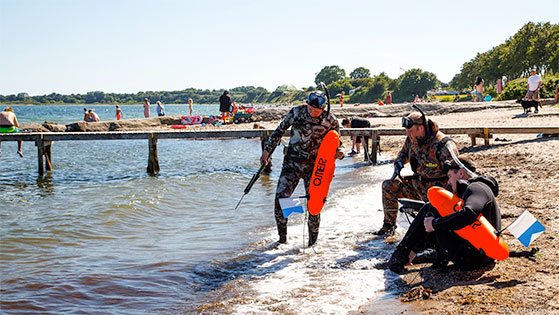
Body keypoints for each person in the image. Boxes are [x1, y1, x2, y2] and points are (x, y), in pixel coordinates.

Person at [387, 157, 500, 273]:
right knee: (439, 214)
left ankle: (399, 257)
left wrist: (434, 224)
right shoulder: (469, 190)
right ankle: (415, 254)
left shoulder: (477, 188)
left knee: (430, 208)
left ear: (461, 173)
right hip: (479, 255)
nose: (448, 182)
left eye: (450, 176)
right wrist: (416, 247)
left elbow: (469, 213)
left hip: (476, 259)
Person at [260, 91, 344, 246]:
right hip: (292, 163)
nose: (312, 113)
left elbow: (337, 142)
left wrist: (339, 153)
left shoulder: (330, 120)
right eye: (310, 109)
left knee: (314, 205)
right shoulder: (297, 112)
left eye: (317, 111)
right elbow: (279, 131)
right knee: (281, 199)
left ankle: (312, 244)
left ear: (324, 108)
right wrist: (267, 151)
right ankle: (282, 240)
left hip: (315, 167)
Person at [375, 108, 458, 236]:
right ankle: (388, 228)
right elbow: (403, 154)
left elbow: (457, 176)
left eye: (411, 131)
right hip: (418, 185)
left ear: (421, 128)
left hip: (439, 191)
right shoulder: (411, 140)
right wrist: (398, 163)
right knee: (388, 186)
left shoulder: (443, 145)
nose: (408, 135)